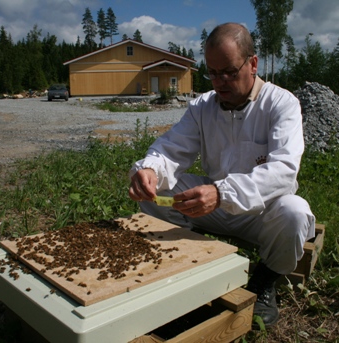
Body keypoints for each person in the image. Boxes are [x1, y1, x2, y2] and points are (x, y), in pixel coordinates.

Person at [128, 22, 315, 329]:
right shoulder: (203, 106)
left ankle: (264, 281)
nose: (220, 82)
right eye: (213, 73)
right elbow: (172, 148)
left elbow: (283, 171)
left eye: (229, 71)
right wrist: (149, 168)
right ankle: (196, 259)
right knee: (155, 190)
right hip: (212, 207)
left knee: (294, 213)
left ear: (252, 64)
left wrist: (222, 193)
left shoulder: (281, 104)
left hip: (261, 214)